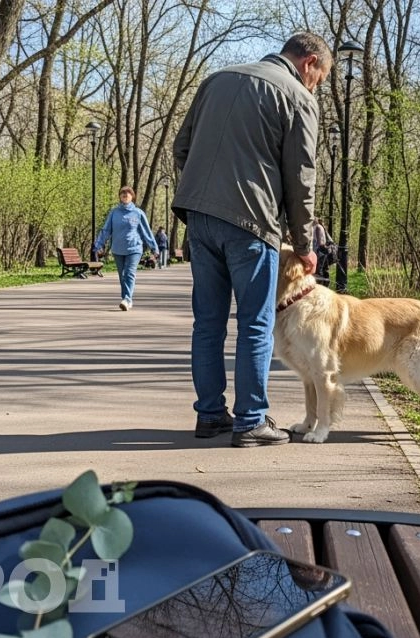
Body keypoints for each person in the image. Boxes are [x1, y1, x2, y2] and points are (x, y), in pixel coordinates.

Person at [172, 32, 327, 447]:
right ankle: (251, 421)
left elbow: (181, 148)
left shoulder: (217, 79)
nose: (315, 87)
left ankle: (209, 416)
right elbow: (301, 179)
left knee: (207, 323)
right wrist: (305, 245)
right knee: (255, 323)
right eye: (319, 78)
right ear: (309, 62)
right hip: (251, 222)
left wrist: (202, 192)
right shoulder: (296, 95)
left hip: (200, 218)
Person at [94, 186, 158, 311]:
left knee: (129, 273)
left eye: (128, 193)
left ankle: (127, 299)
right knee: (122, 276)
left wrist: (154, 248)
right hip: (118, 249)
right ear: (119, 196)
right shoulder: (114, 213)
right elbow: (106, 230)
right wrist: (98, 244)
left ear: (132, 196)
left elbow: (146, 232)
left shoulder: (138, 213)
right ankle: (126, 299)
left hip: (134, 248)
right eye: (122, 193)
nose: (125, 195)